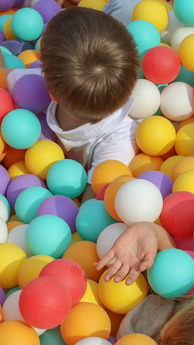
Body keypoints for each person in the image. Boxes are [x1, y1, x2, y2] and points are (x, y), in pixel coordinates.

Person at [1, 7, 140, 201]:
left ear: (52, 94)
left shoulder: (121, 138)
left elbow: (91, 206)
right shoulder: (33, 87)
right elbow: (3, 77)